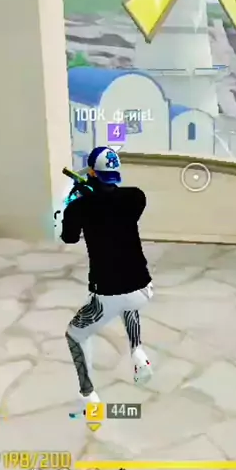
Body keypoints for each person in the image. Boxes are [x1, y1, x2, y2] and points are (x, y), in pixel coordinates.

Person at [61, 146, 153, 408]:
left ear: (91, 172)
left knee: (75, 335)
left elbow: (69, 237)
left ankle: (88, 394)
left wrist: (74, 201)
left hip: (107, 293)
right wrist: (91, 197)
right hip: (143, 288)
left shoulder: (79, 206)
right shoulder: (136, 197)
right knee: (129, 301)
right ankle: (138, 353)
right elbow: (112, 207)